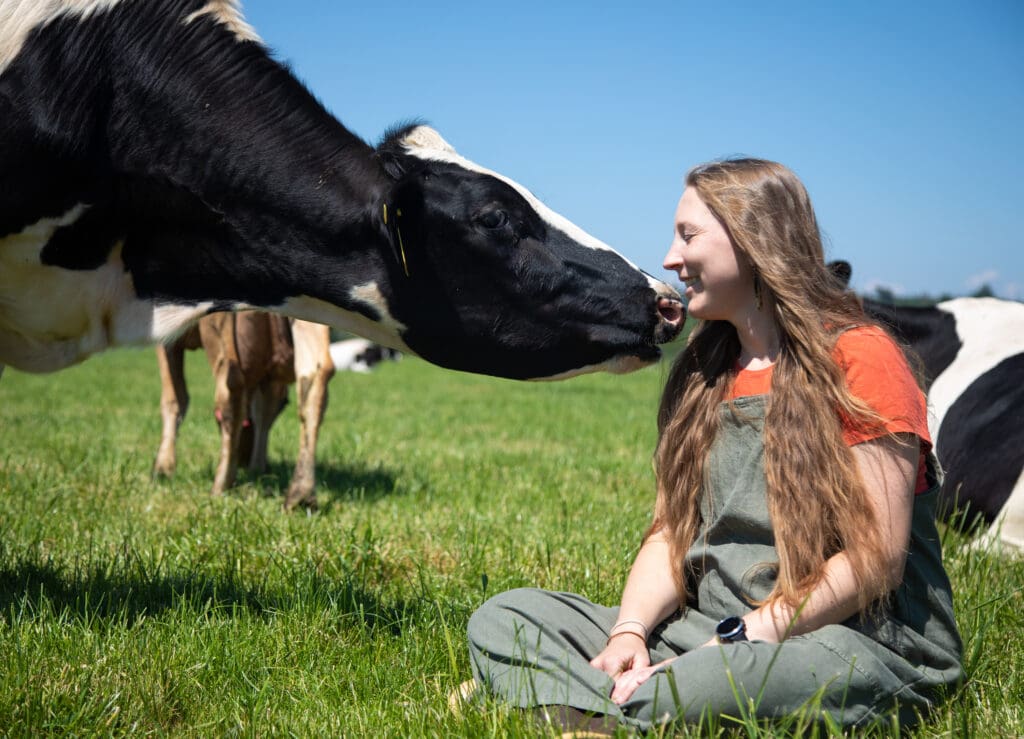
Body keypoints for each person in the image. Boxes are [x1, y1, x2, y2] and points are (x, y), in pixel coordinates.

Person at [462, 158, 963, 732]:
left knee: (704, 686)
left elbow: (875, 560)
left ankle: (566, 700)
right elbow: (671, 532)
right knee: (504, 618)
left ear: (753, 239)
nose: (670, 259)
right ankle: (608, 696)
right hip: (709, 632)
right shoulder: (703, 370)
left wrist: (740, 640)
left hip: (852, 641)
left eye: (688, 235)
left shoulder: (861, 358)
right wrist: (629, 631)